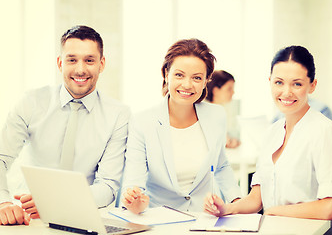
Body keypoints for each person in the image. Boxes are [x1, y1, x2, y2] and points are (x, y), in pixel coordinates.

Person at [204, 46, 332, 233]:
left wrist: (275, 212)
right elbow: (256, 199)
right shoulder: (271, 132)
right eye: (279, 82)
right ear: (270, 82)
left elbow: (330, 207)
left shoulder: (323, 130)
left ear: (312, 85)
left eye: (297, 84)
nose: (286, 92)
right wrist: (227, 209)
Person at [0, 25, 130, 225]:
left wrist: (56, 202)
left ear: (101, 64)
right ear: (60, 63)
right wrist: (3, 203)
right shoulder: (31, 102)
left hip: (83, 218)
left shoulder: (118, 115)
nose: (80, 69)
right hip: (27, 218)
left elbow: (108, 186)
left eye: (89, 60)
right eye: (72, 60)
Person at [121, 38, 241, 214]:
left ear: (207, 80)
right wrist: (134, 201)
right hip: (160, 220)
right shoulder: (142, 122)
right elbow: (134, 181)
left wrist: (237, 202)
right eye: (179, 75)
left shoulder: (216, 115)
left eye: (197, 78)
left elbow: (221, 165)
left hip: (205, 218)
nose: (187, 84)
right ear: (165, 74)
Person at [206, 70, 241, 148]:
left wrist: (233, 140)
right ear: (216, 91)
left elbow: (233, 133)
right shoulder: (201, 112)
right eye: (229, 89)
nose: (233, 92)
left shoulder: (223, 110)